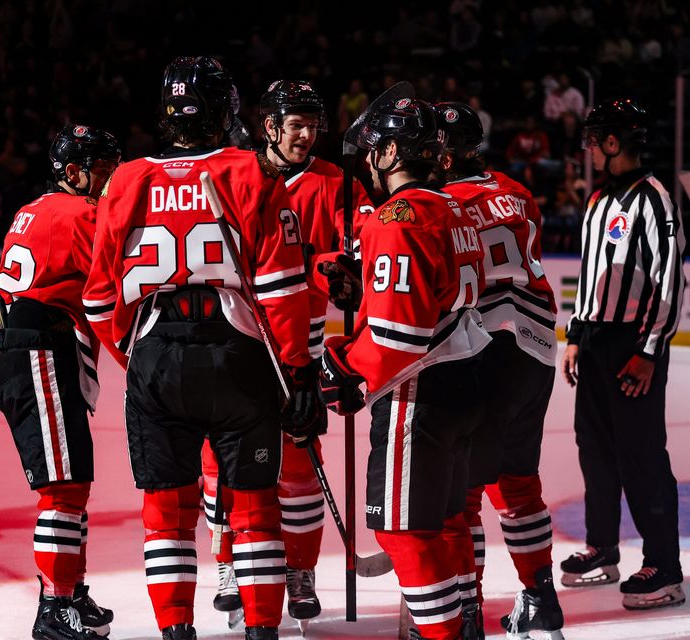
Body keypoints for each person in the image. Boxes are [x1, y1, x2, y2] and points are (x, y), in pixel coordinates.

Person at [81, 56, 322, 640]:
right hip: (239, 357)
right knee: (255, 507)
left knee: (166, 513)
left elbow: (99, 299)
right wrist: (297, 372)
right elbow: (282, 290)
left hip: (156, 355)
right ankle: (262, 631)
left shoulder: (127, 180)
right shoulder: (250, 170)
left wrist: (137, 357)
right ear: (223, 110)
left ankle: (176, 632)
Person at [199, 79, 373, 631]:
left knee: (299, 463)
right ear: (269, 126)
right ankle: (229, 563)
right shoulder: (234, 174)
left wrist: (344, 270)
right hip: (234, 339)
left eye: (312, 125)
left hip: (302, 343)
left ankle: (300, 571)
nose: (306, 135)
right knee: (220, 462)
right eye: (295, 125)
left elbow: (363, 243)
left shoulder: (336, 183)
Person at [321, 96, 491, 640]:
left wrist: (342, 367)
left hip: (419, 391)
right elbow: (428, 293)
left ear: (392, 152)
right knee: (446, 521)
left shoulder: (397, 219)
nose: (369, 162)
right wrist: (365, 285)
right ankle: (465, 623)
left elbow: (400, 337)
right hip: (465, 375)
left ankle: (441, 634)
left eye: (375, 150)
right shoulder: (455, 207)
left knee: (401, 533)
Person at [0, 124, 121, 640]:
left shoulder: (32, 209)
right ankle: (54, 607)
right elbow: (111, 287)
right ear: (74, 172)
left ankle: (71, 592)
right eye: (102, 171)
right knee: (63, 488)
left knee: (73, 482)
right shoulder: (83, 214)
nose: (108, 182)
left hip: (26, 347)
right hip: (39, 352)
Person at [436, 102, 565, 640]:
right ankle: (541, 600)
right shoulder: (516, 190)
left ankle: (469, 611)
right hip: (537, 347)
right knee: (517, 482)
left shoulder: (444, 203)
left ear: (444, 155)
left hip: (487, 348)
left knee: (461, 493)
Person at [561, 98, 686, 611]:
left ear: (614, 142)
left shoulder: (655, 199)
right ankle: (603, 547)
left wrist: (649, 351)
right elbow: (590, 274)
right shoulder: (598, 200)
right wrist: (575, 334)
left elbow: (670, 281)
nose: (588, 149)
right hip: (594, 341)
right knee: (594, 449)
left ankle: (665, 567)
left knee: (641, 454)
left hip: (631, 344)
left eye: (594, 140)